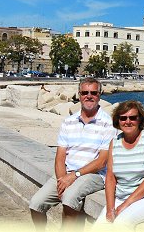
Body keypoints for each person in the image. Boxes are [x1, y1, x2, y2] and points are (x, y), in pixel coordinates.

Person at [29, 77, 117, 231]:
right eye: (85, 92)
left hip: (94, 174)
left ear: (100, 94)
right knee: (36, 204)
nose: (89, 96)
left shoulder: (108, 123)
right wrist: (62, 179)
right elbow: (60, 157)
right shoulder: (69, 122)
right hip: (68, 172)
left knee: (69, 199)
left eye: (93, 93)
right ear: (79, 94)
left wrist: (74, 176)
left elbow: (102, 161)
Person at [93, 100, 144, 231]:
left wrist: (125, 205)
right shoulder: (115, 142)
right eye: (123, 118)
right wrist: (110, 208)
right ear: (118, 121)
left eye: (132, 118)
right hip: (121, 197)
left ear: (140, 120)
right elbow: (110, 177)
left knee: (122, 223)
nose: (127, 121)